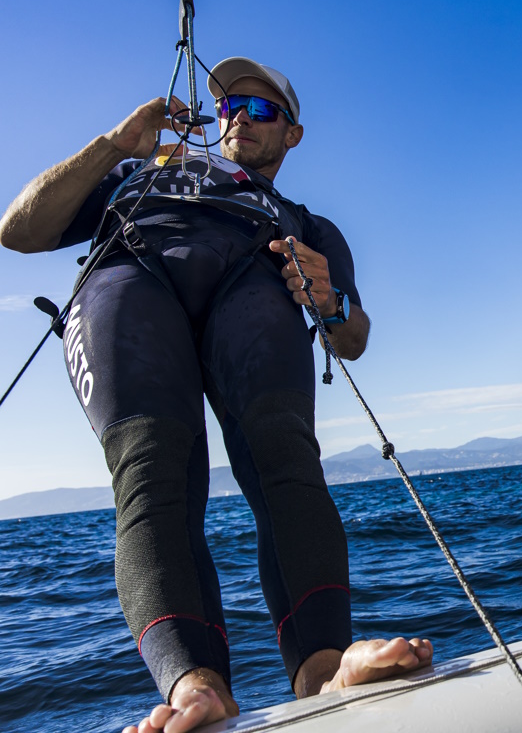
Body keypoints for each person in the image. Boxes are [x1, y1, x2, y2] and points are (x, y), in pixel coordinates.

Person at [0, 58, 431, 733]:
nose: (238, 118)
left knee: (284, 450)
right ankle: (195, 686)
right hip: (129, 273)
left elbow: (353, 338)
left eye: (261, 111)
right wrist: (118, 143)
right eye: (229, 106)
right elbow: (18, 231)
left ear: (293, 135)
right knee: (150, 469)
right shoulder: (130, 176)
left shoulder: (309, 225)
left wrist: (333, 298)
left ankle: (322, 668)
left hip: (251, 275)